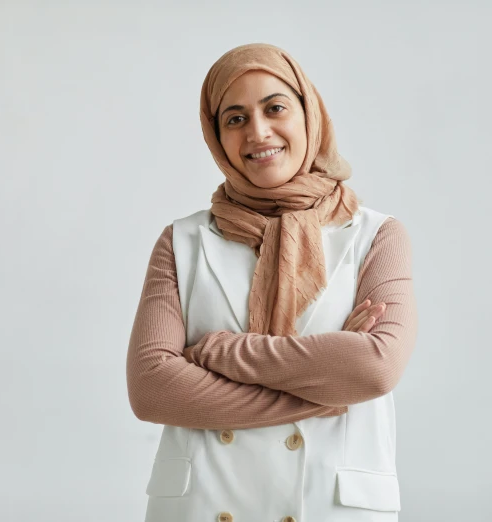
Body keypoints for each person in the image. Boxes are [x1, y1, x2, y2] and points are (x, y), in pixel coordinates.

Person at [126, 43, 418, 522]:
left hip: (327, 507)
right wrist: (326, 385)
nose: (258, 132)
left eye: (275, 107)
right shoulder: (181, 241)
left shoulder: (376, 236)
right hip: (207, 504)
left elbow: (375, 370)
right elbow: (152, 390)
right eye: (235, 118)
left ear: (309, 113)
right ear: (217, 135)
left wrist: (217, 352)